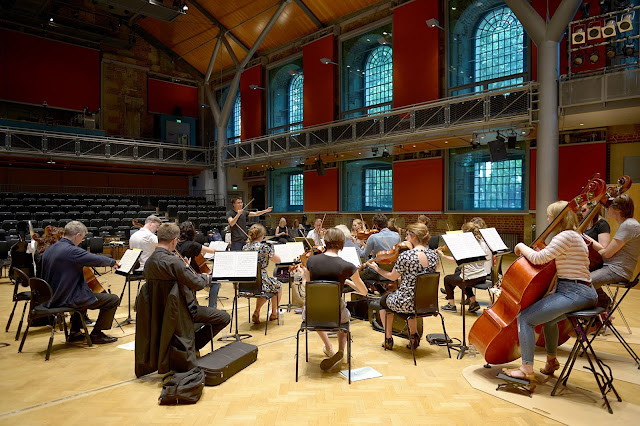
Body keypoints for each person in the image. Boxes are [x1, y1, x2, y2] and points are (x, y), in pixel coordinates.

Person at [502, 201, 597, 381]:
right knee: (548, 321)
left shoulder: (564, 237)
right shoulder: (577, 236)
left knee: (526, 318)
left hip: (573, 292)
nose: (547, 219)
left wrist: (521, 246)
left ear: (557, 218)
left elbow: (539, 259)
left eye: (549, 216)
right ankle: (551, 360)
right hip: (585, 291)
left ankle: (526, 369)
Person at [144, 223, 230, 351]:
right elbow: (197, 284)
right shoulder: (174, 262)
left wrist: (184, 268)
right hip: (182, 310)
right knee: (223, 317)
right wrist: (204, 277)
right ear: (174, 241)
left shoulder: (149, 262)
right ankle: (191, 347)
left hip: (160, 310)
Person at [41, 221, 120, 344]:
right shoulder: (71, 250)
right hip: (64, 298)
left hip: (50, 296)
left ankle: (75, 332)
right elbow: (94, 259)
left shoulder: (50, 249)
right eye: (82, 238)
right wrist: (112, 262)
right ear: (77, 235)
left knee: (84, 291)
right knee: (112, 299)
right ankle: (97, 334)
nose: (82, 240)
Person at [301, 227, 368, 371]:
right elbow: (364, 291)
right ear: (342, 244)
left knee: (313, 306)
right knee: (344, 320)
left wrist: (303, 275)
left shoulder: (311, 261)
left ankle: (329, 347)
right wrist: (348, 281)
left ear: (325, 242)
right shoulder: (347, 266)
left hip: (312, 315)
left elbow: (306, 287)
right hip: (336, 315)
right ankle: (341, 351)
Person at [368, 223, 438, 350]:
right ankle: (414, 336)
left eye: (407, 235)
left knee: (383, 302)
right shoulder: (434, 255)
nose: (405, 239)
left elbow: (392, 277)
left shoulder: (406, 256)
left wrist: (377, 269)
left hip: (406, 303)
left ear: (414, 236)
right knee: (409, 299)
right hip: (427, 303)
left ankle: (388, 339)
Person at [587, 194, 640, 289]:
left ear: (618, 210)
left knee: (584, 282)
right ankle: (602, 300)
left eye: (608, 206)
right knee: (582, 277)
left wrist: (599, 251)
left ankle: (601, 300)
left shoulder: (628, 225)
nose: (607, 209)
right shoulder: (629, 224)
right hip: (613, 268)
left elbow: (607, 254)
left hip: (616, 270)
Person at [438, 222, 491, 313]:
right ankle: (473, 302)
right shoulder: (481, 241)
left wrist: (443, 256)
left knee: (448, 279)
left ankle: (451, 305)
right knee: (460, 274)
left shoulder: (467, 244)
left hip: (472, 277)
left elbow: (457, 261)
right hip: (482, 275)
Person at [243, 224, 282, 324]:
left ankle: (257, 311)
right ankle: (273, 314)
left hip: (246, 282)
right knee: (277, 286)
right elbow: (278, 260)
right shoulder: (264, 247)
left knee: (265, 287)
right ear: (262, 235)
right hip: (261, 281)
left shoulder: (245, 247)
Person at [176, 221, 221, 309]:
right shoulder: (193, 245)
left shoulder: (175, 244)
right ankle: (212, 307)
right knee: (215, 282)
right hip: (190, 277)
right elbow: (211, 251)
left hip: (180, 276)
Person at [360, 213, 401, 281]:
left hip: (377, 272)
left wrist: (356, 247)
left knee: (360, 275)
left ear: (376, 225)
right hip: (393, 270)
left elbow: (364, 255)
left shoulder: (373, 237)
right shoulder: (397, 235)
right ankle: (381, 290)